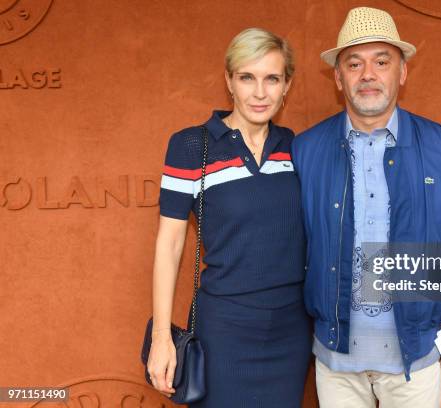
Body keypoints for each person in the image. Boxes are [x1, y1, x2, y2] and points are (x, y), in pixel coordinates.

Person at [291, 7, 441, 408]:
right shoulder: (306, 149)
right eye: (354, 63)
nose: (367, 74)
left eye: (381, 61)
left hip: (415, 363)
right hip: (335, 366)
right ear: (338, 78)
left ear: (402, 72)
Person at [146, 28, 312, 407]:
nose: (259, 92)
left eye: (272, 78)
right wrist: (161, 338)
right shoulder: (191, 146)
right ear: (229, 82)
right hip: (223, 329)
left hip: (291, 330)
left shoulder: (297, 148)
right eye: (247, 78)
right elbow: (169, 245)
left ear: (287, 85)